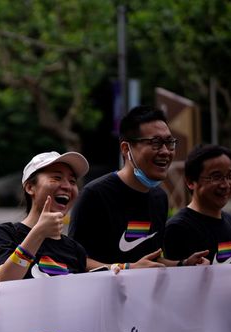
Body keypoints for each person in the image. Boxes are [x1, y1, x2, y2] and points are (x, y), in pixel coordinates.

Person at [68, 105, 208, 272]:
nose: (165, 151)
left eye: (169, 143)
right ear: (126, 149)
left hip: (145, 297)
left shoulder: (159, 198)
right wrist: (126, 268)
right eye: (155, 143)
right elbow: (76, 259)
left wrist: (183, 264)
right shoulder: (95, 195)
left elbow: (150, 260)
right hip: (105, 297)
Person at [0, 151, 90, 280]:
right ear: (30, 187)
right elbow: (4, 280)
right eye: (57, 178)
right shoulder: (6, 234)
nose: (67, 186)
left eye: (72, 181)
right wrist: (39, 233)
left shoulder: (75, 250)